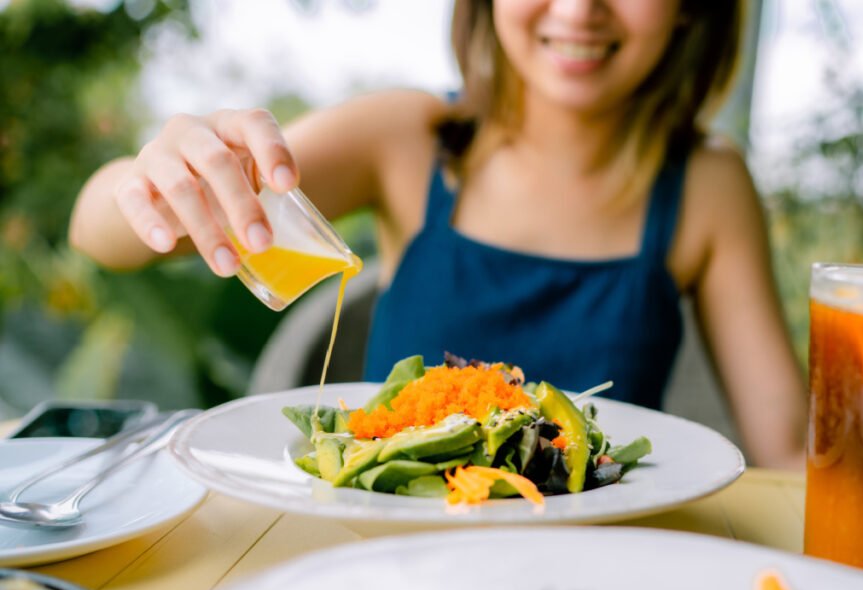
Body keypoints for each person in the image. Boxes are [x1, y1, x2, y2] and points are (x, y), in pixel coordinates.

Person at [69, 0, 806, 469]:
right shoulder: (405, 136)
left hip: (594, 573)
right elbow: (98, 232)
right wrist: (154, 177)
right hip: (384, 554)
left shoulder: (708, 183)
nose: (582, 9)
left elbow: (791, 453)